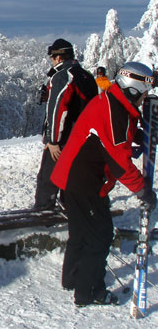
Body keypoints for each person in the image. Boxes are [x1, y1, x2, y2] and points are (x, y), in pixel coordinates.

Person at [51, 61, 157, 307]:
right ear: (133, 89)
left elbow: (113, 138)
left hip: (74, 176)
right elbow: (121, 163)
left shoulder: (114, 100)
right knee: (100, 235)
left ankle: (73, 279)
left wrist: (141, 135)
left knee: (80, 233)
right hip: (84, 181)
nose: (144, 98)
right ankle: (88, 291)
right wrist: (143, 191)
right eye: (144, 93)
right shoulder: (115, 112)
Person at [33, 38, 98, 210]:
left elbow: (58, 110)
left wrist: (52, 140)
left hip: (64, 139)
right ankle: (71, 208)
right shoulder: (87, 76)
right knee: (72, 176)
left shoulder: (63, 76)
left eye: (52, 58)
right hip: (84, 138)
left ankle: (43, 212)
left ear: (58, 57)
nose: (51, 61)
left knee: (48, 177)